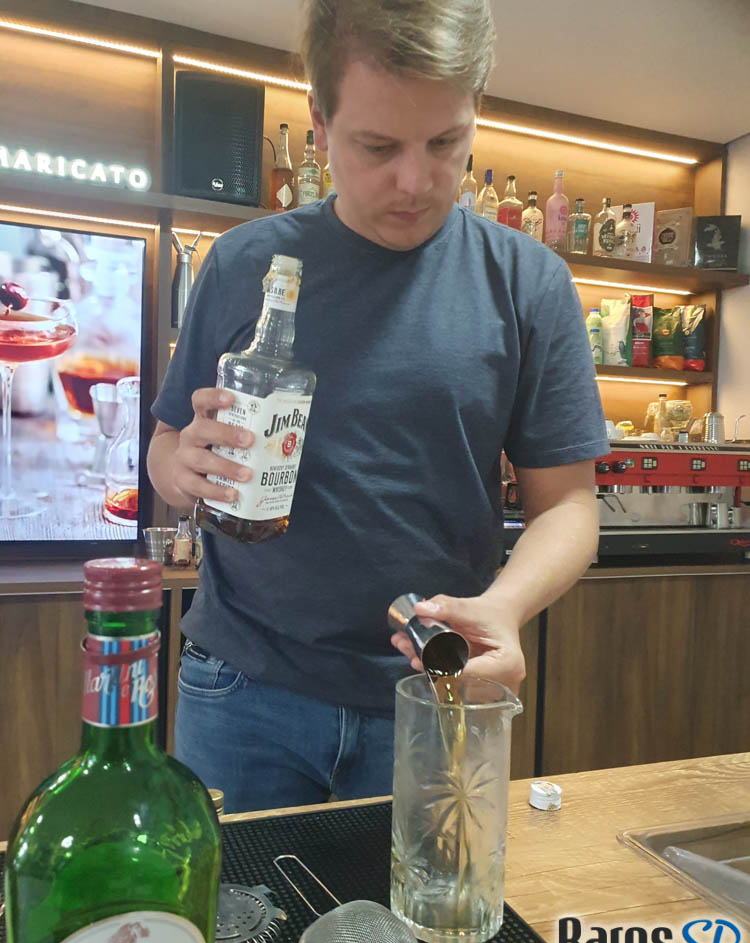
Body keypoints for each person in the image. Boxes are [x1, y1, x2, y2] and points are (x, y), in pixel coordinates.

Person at [148, 0, 609, 812]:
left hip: (433, 689)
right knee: (233, 900)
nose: (415, 182)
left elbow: (569, 505)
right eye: (378, 146)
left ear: (475, 114)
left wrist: (504, 607)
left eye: (446, 144)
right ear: (320, 124)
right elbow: (164, 447)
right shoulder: (246, 262)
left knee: (430, 901)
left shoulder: (529, 283)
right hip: (243, 690)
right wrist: (181, 468)